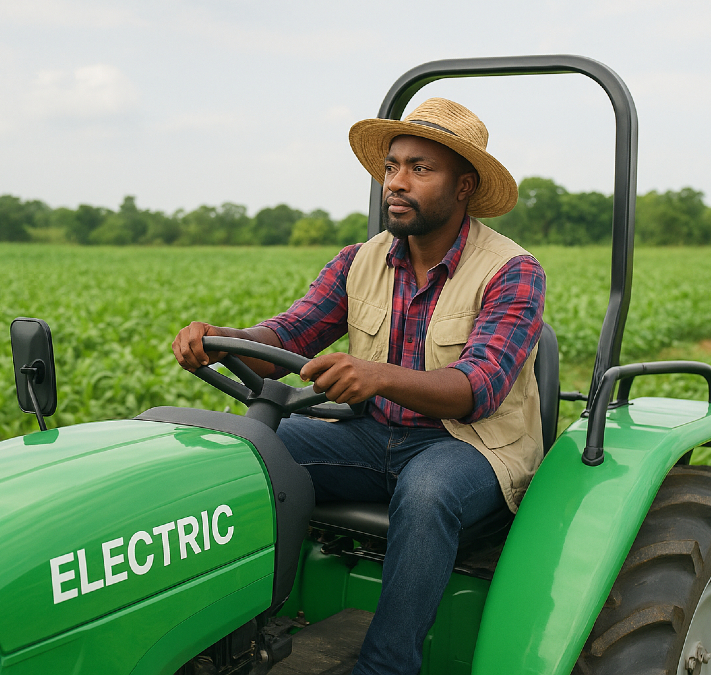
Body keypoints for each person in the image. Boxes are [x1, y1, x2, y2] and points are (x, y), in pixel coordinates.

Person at [172, 97, 546, 675]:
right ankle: (227, 639)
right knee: (247, 455)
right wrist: (222, 338)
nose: (396, 182)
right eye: (392, 166)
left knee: (427, 493)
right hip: (369, 438)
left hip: (472, 450)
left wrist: (377, 375)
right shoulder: (359, 260)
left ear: (464, 185)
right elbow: (291, 334)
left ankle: (386, 666)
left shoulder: (512, 271)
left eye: (420, 169)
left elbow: (479, 388)